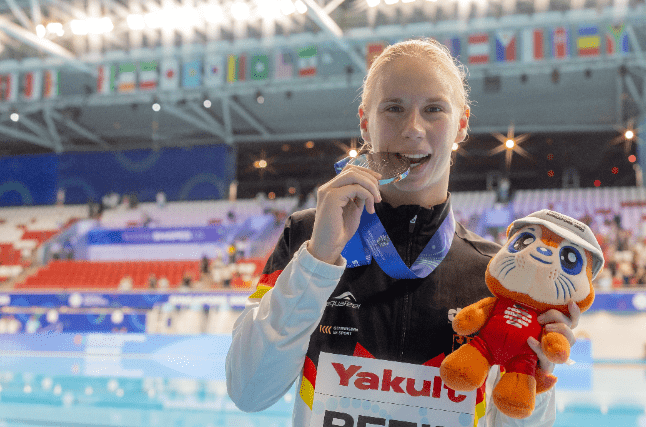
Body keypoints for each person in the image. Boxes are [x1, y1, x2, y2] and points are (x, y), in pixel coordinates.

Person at [226, 38, 579, 426]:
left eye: (434, 109)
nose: (413, 129)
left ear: (461, 126)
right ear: (365, 122)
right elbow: (249, 391)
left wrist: (535, 371)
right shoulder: (308, 237)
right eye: (394, 108)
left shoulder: (497, 276)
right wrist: (317, 260)